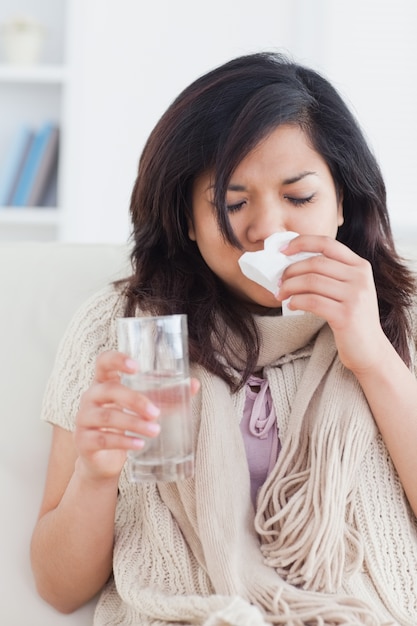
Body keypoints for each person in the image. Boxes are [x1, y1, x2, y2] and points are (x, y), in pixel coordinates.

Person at [30, 51, 417, 626]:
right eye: (232, 204)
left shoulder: (399, 313)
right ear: (188, 219)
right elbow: (59, 590)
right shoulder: (123, 327)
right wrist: (97, 474)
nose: (268, 230)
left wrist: (374, 359)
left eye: (300, 197)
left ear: (342, 200)